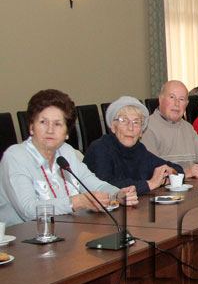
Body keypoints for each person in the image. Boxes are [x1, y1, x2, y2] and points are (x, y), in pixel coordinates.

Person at [0, 90, 137, 225]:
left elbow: (94, 184)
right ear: (31, 127)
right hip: (21, 241)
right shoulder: (15, 157)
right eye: (43, 122)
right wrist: (75, 202)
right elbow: (28, 210)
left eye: (58, 124)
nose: (50, 130)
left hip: (66, 233)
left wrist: (117, 194)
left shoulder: (66, 152)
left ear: (66, 133)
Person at [84, 96, 182, 196]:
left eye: (136, 122)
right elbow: (105, 188)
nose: (130, 127)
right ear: (113, 127)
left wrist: (162, 181)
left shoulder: (139, 150)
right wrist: (150, 184)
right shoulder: (100, 148)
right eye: (124, 121)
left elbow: (177, 169)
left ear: (141, 132)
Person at [142, 80, 198, 177]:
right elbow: (152, 170)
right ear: (161, 99)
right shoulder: (147, 128)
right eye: (172, 97)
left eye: (181, 99)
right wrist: (184, 172)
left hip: (190, 189)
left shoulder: (187, 128)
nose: (177, 103)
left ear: (186, 104)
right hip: (163, 191)